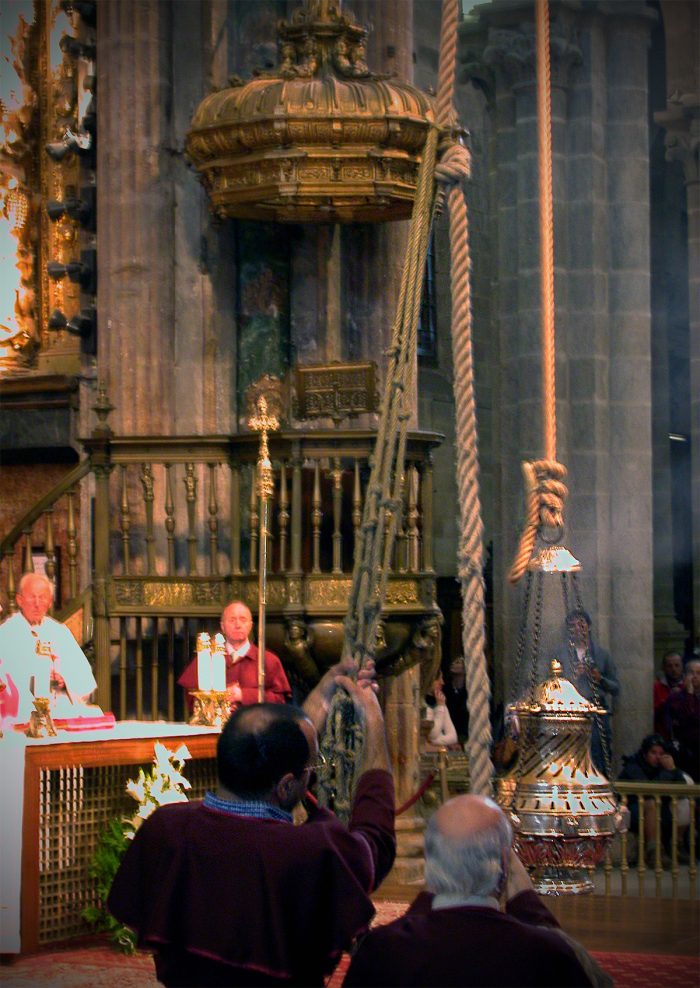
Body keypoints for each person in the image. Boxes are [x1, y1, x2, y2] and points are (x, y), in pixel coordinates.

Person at [108, 660, 395, 987]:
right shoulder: (309, 850)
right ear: (286, 786)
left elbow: (286, 751)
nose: (313, 773)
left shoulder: (167, 826)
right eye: (310, 770)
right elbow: (376, 841)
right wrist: (373, 719)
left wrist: (326, 688)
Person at [344, 794, 599, 987]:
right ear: (504, 864)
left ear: (430, 863)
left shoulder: (381, 951)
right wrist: (528, 902)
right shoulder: (547, 953)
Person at [0, 572, 97, 723]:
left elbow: (85, 681)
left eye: (42, 597)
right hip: (20, 713)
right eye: (32, 597)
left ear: (50, 602)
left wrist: (65, 680)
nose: (37, 603)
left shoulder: (59, 632)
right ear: (19, 600)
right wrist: (36, 673)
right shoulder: (6, 633)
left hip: (59, 709)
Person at [178, 600, 291, 706]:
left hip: (254, 725)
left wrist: (243, 695)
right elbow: (191, 696)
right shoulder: (207, 658)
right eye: (232, 620)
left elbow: (280, 700)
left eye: (243, 620)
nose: (238, 625)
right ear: (222, 626)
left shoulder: (268, 660)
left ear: (251, 625)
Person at [553, 609, 619, 774]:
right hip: (569, 712)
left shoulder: (602, 655)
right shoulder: (560, 654)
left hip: (595, 714)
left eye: (581, 625)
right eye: (572, 626)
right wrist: (572, 678)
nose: (577, 629)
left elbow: (616, 687)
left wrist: (599, 679)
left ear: (588, 627)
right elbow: (552, 683)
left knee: (597, 756)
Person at [618, 733, 691, 867]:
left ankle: (677, 846)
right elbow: (649, 791)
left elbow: (682, 789)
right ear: (645, 754)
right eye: (653, 753)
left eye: (661, 753)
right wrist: (668, 772)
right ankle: (654, 851)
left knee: (684, 802)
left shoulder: (664, 767)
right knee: (651, 803)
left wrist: (673, 769)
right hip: (633, 811)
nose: (658, 757)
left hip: (660, 811)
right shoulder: (633, 766)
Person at [664, 659, 700, 781]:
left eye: (698, 673)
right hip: (684, 752)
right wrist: (690, 693)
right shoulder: (676, 698)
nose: (695, 676)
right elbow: (687, 718)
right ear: (684, 675)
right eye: (691, 673)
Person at [424, 673, 460, 751]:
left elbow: (453, 737)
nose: (442, 682)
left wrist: (432, 742)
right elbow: (433, 734)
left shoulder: (440, 703)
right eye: (438, 679)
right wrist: (440, 707)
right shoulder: (424, 705)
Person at [653, 650, 684, 736]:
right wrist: (670, 699)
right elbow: (653, 712)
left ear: (682, 667)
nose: (674, 669)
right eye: (669, 666)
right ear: (664, 668)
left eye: (677, 665)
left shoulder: (688, 686)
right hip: (663, 735)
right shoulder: (656, 687)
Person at [444, 656, 469, 743]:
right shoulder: (446, 688)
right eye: (453, 662)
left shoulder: (469, 692)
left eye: (458, 662)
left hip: (463, 734)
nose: (453, 664)